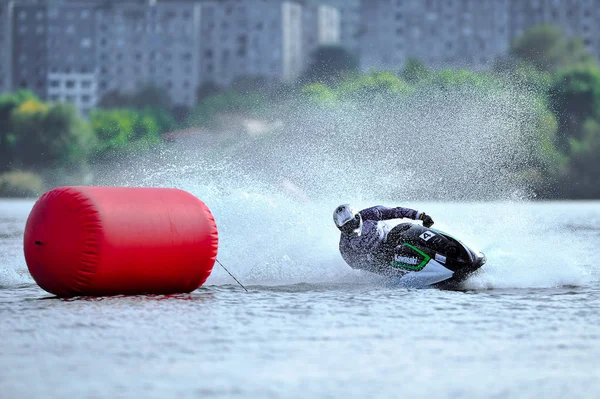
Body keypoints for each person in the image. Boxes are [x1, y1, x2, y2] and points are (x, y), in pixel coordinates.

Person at [333, 204, 435, 275]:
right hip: (381, 260)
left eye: (351, 223)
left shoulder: (371, 213)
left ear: (357, 216)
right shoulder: (344, 245)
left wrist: (421, 216)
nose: (350, 228)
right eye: (346, 227)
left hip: (393, 238)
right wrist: (377, 266)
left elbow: (397, 212)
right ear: (340, 228)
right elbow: (356, 265)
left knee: (405, 227)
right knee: (381, 259)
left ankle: (437, 245)